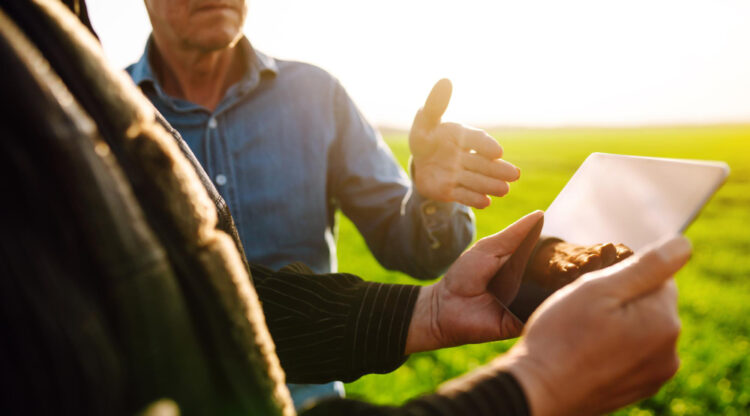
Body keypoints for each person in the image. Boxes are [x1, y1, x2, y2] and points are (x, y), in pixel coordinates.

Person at [0, 1, 689, 414]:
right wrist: (531, 388)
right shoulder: (92, 116)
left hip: (321, 396)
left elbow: (410, 249)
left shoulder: (316, 95)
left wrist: (429, 199)